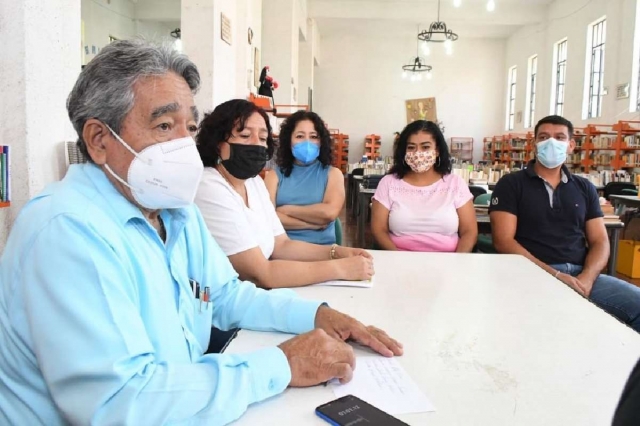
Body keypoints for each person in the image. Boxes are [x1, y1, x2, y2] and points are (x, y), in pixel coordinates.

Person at [0, 40, 402, 425]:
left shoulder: (174, 211)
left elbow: (226, 295)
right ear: (99, 140)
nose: (183, 146)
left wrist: (319, 315)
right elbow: (119, 403)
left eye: (188, 127)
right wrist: (282, 363)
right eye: (162, 125)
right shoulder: (68, 232)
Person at [194, 99, 374, 289]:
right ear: (217, 142)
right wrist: (340, 268)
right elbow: (261, 274)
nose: (256, 145)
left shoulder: (253, 182)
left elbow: (281, 245)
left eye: (263, 138)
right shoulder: (209, 185)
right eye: (245, 135)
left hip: (260, 293)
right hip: (228, 303)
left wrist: (337, 252)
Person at [489, 115, 640, 332]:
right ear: (534, 144)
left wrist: (587, 279)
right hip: (531, 273)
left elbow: (600, 241)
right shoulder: (511, 184)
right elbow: (503, 241)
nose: (551, 142)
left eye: (559, 137)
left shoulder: (584, 187)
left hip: (581, 274)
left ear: (570, 146)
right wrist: (556, 276)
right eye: (544, 137)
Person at [371, 120, 478, 252]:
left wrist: (458, 260)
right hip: (399, 260)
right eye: (411, 147)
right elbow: (379, 230)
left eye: (425, 147)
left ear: (437, 150)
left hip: (448, 262)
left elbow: (469, 231)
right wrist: (397, 257)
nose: (418, 153)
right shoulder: (388, 183)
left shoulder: (455, 183)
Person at [264, 110, 342, 245]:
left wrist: (286, 210)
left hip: (323, 250)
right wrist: (312, 224)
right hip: (282, 249)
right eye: (299, 136)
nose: (307, 142)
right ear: (289, 141)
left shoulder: (333, 174)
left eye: (314, 136)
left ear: (321, 141)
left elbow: (329, 213)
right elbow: (267, 219)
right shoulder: (274, 176)